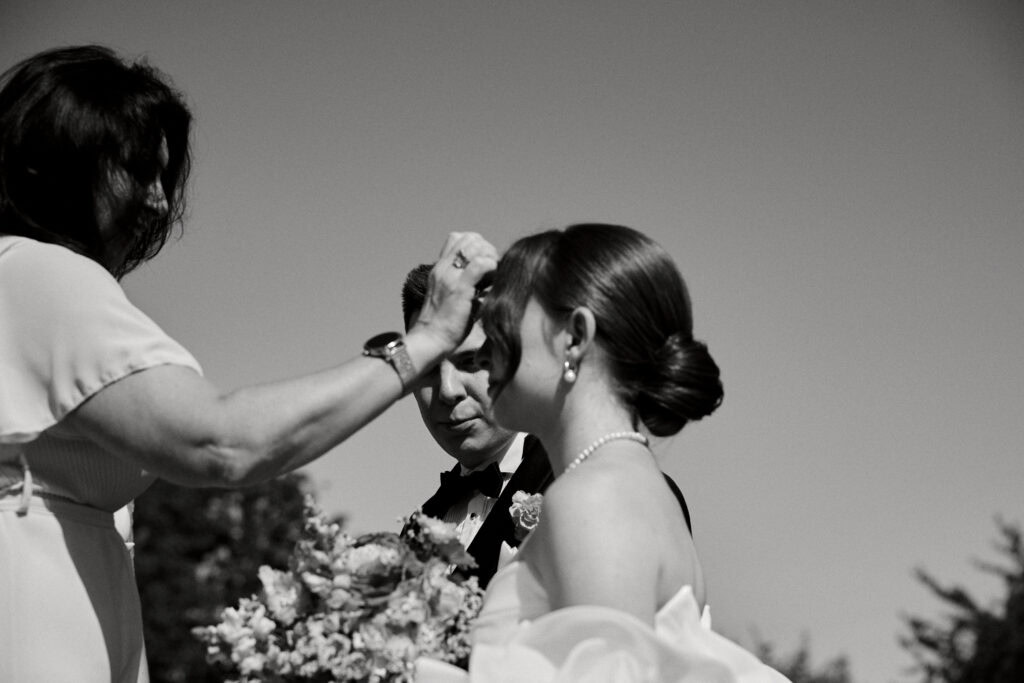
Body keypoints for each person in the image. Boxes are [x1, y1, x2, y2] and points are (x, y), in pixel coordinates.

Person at [0, 45, 495, 683]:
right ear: (62, 165)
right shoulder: (37, 274)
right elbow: (222, 443)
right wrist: (421, 343)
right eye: (136, 170)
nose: (156, 202)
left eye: (162, 176)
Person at [417, 224, 789, 682]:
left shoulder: (596, 499)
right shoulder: (627, 485)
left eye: (504, 324)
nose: (486, 353)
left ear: (574, 337)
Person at [403, 263, 697, 588]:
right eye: (427, 369)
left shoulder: (612, 490)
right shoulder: (416, 530)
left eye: (471, 362)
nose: (448, 390)